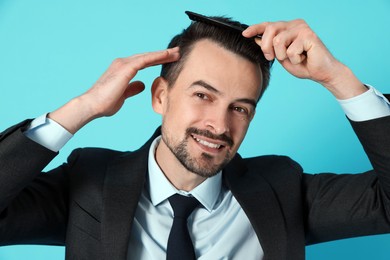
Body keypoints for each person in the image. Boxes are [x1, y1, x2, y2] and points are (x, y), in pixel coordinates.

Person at [1, 13, 390, 260]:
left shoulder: (283, 188)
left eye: (240, 108)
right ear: (160, 95)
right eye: (203, 95)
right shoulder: (88, 180)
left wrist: (339, 79)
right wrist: (82, 108)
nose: (219, 125)